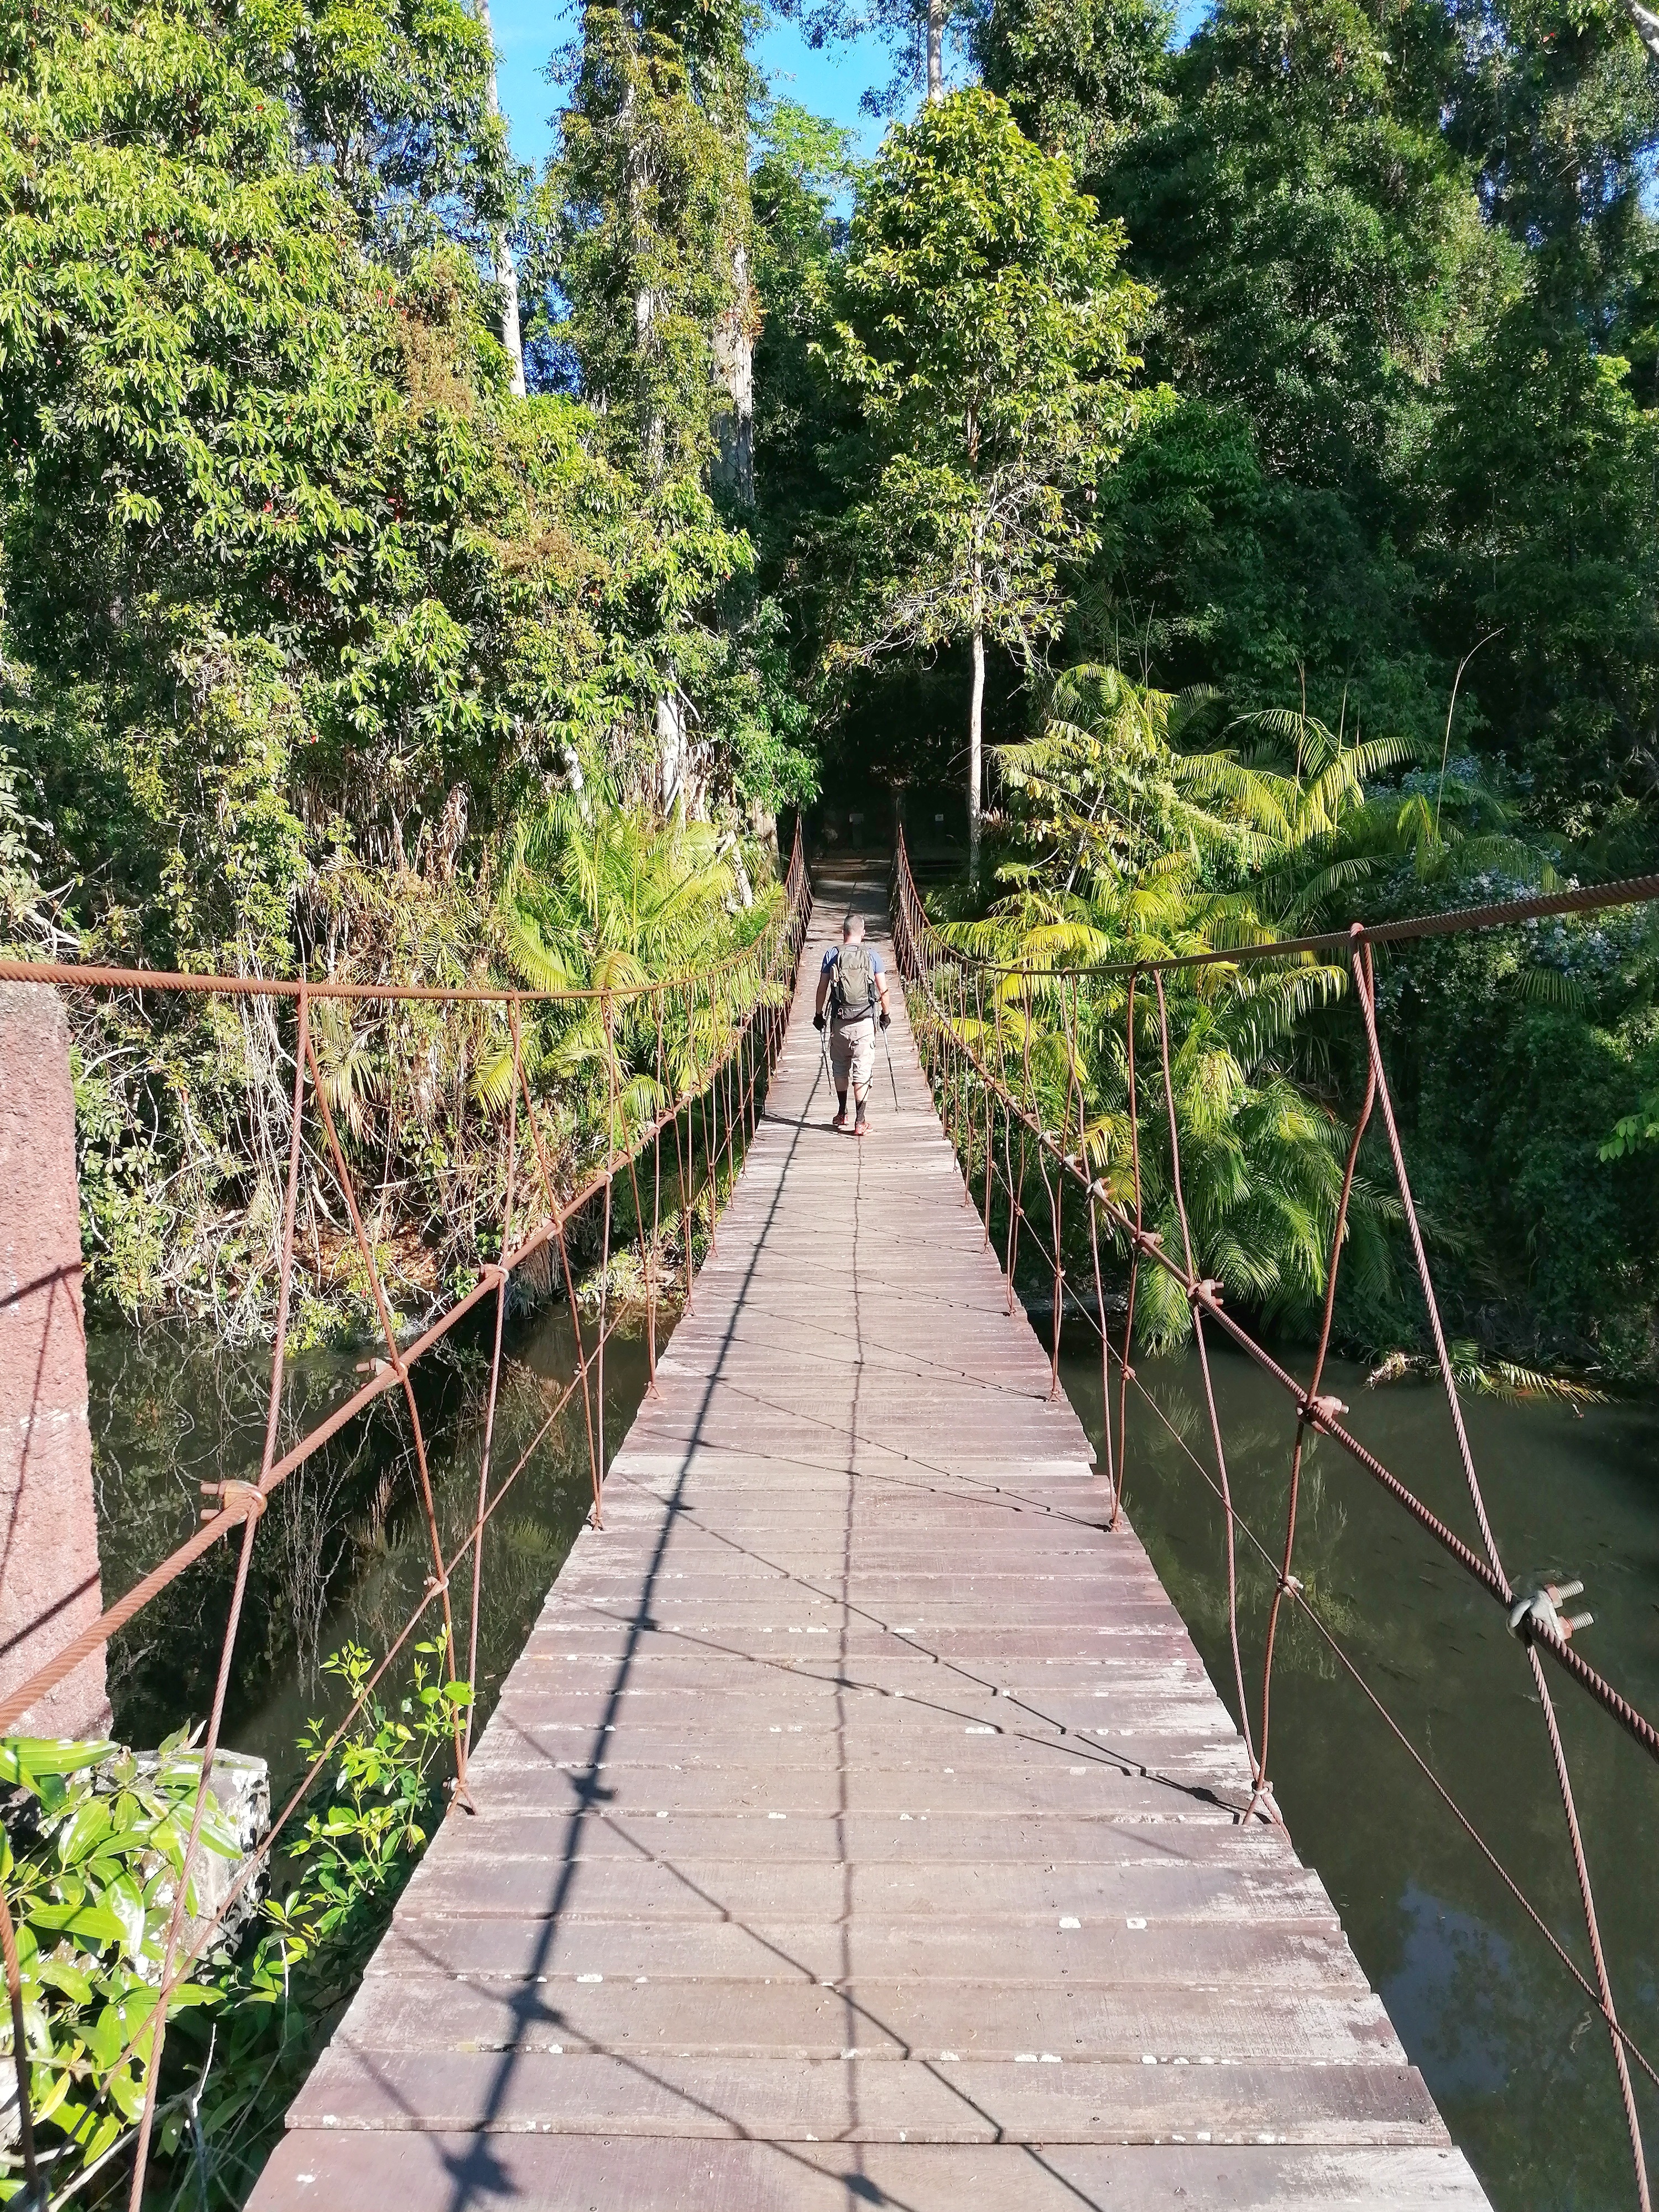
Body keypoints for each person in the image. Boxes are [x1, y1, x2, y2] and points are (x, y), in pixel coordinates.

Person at [813, 911, 891, 1136]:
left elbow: (822, 988)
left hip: (839, 1021)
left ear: (843, 933)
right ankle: (860, 1121)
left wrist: (819, 1015)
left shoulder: (832, 954)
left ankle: (841, 1112)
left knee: (840, 1066)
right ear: (863, 933)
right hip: (865, 1022)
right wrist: (886, 1014)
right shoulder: (873, 956)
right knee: (862, 1070)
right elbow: (883, 991)